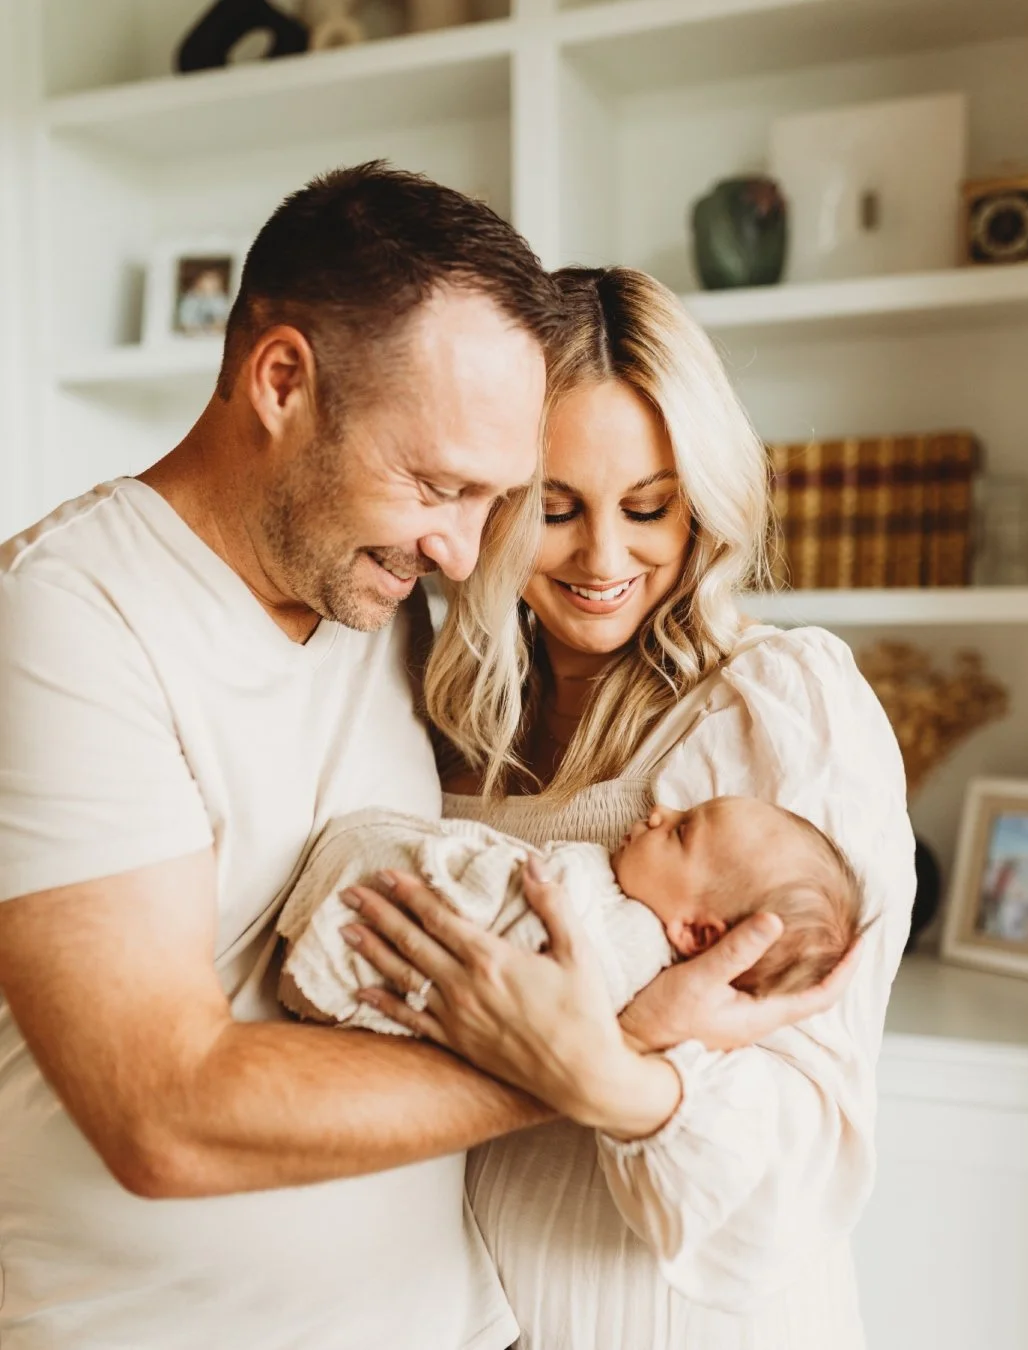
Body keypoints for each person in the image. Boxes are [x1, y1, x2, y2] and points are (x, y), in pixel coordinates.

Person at [0, 169, 847, 1350]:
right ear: (281, 380)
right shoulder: (66, 622)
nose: (460, 554)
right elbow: (164, 1117)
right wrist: (612, 1043)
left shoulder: (377, 595)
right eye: (440, 485)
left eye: (495, 499)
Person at [340, 265, 917, 1349]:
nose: (606, 559)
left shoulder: (779, 708)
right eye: (555, 509)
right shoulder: (431, 702)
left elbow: (809, 1149)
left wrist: (616, 1076)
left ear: (703, 501)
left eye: (649, 508)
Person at [274, 794, 863, 1032]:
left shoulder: (625, 954)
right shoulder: (622, 903)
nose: (660, 811)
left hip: (364, 936)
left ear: (695, 932)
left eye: (681, 832)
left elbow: (536, 991)